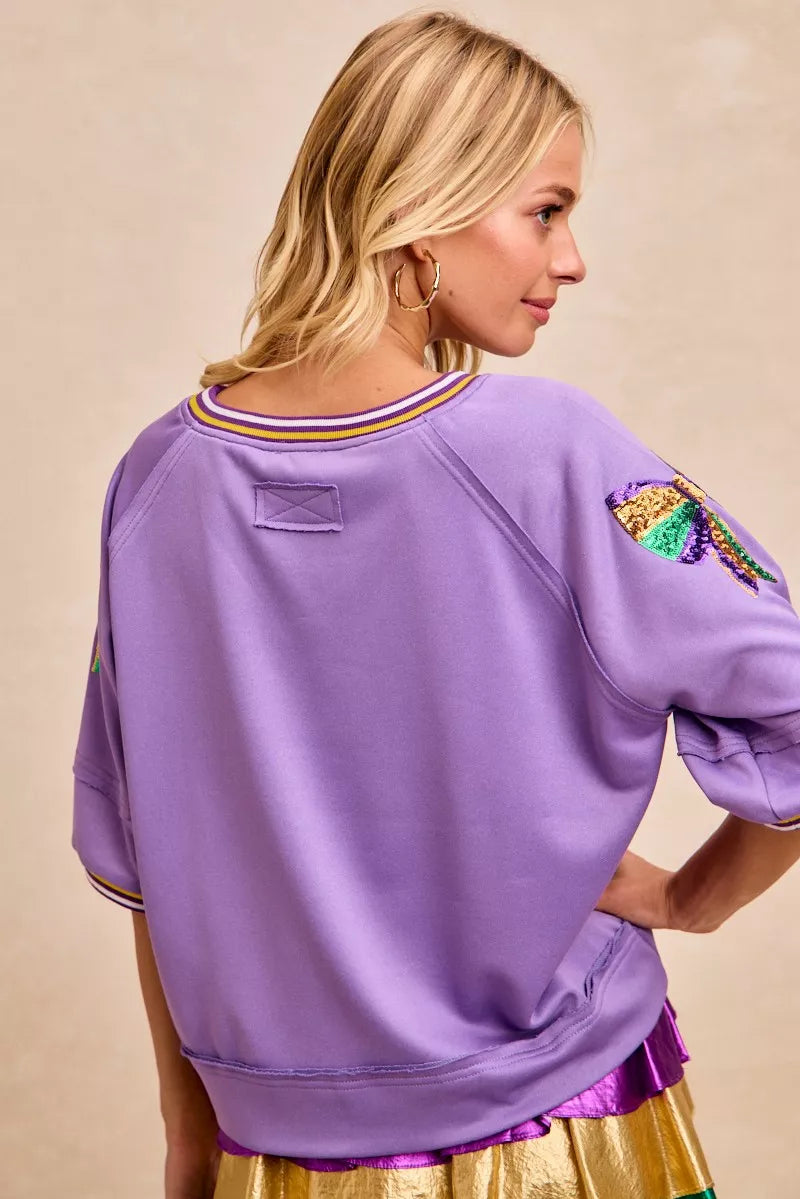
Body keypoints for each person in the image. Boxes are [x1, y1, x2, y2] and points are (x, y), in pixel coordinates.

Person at [70, 10, 800, 1199]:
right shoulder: (552, 455)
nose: (571, 259)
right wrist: (689, 899)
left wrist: (190, 1135)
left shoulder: (155, 481)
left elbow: (144, 841)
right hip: (566, 1133)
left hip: (275, 1151)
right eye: (545, 211)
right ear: (421, 210)